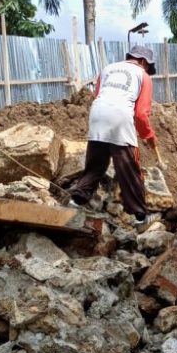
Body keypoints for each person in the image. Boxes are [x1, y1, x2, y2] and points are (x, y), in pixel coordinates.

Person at [68, 45, 163, 230]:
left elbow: (98, 95)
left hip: (97, 114)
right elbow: (142, 114)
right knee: (129, 168)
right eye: (147, 66)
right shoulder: (143, 75)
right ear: (143, 62)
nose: (147, 70)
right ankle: (140, 218)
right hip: (120, 118)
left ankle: (76, 201)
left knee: (96, 164)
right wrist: (148, 135)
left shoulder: (107, 69)